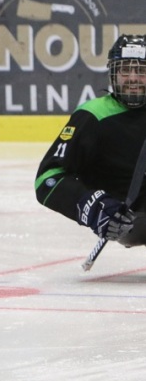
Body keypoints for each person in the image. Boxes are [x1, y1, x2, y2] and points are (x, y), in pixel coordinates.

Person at [35, 34, 146, 248]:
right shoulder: (92, 115)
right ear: (113, 74)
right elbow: (47, 179)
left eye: (141, 71)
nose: (133, 78)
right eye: (125, 70)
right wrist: (92, 206)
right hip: (127, 220)